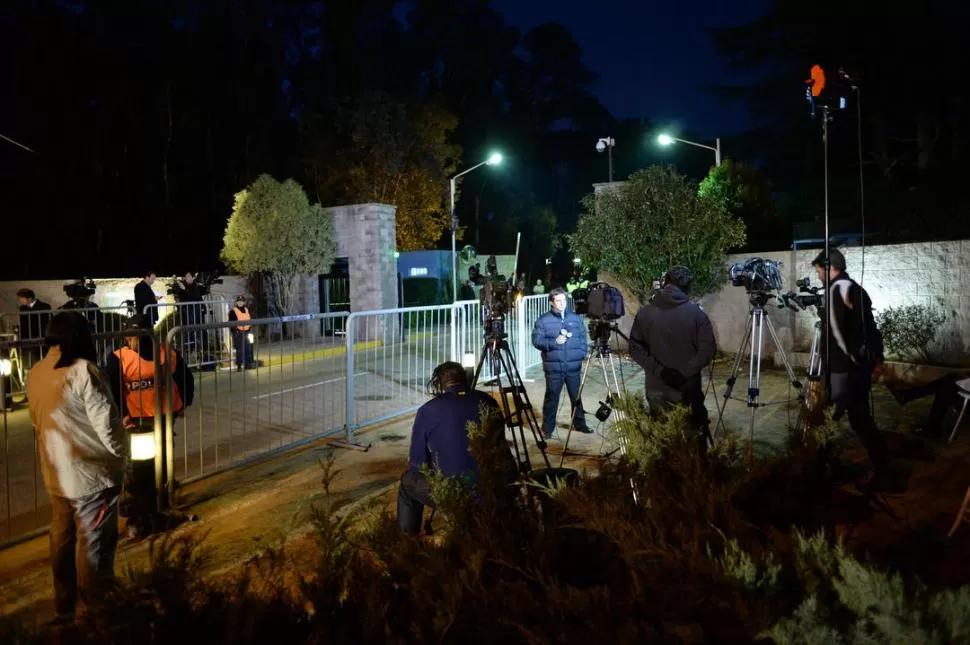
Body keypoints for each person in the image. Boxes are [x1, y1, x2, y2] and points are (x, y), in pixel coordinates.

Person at [27, 312, 127, 623]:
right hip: (92, 477)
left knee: (62, 539)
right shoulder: (84, 371)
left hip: (56, 474)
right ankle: (97, 612)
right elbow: (108, 427)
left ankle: (65, 606)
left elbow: (36, 420)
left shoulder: (36, 372)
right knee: (93, 544)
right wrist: (125, 454)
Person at [397, 361, 515, 534]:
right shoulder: (488, 401)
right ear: (466, 379)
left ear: (438, 384)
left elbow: (417, 464)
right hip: (495, 483)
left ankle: (406, 542)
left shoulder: (427, 410)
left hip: (456, 491)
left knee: (407, 482)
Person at [813, 248, 892, 489]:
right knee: (861, 419)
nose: (818, 277)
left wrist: (821, 373)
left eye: (819, 271)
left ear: (830, 269)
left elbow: (833, 337)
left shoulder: (836, 292)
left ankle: (818, 472)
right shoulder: (857, 290)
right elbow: (870, 328)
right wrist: (877, 359)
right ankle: (884, 471)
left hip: (841, 370)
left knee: (824, 420)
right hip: (858, 368)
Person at [105, 317, 194, 532]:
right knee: (140, 465)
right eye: (128, 337)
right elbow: (113, 390)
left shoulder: (165, 351)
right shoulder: (119, 357)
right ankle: (143, 504)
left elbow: (184, 377)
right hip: (138, 421)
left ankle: (162, 497)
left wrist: (183, 403)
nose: (131, 342)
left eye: (135, 337)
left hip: (162, 416)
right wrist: (123, 416)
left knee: (164, 455)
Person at [628, 266, 716, 452]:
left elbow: (635, 348)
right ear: (688, 287)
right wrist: (684, 373)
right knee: (692, 444)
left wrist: (660, 371)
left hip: (656, 386)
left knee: (661, 440)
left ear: (665, 281)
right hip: (688, 388)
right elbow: (707, 351)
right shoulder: (697, 314)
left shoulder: (645, 313)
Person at [531, 288, 590, 438]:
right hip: (554, 367)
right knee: (552, 397)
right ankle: (547, 429)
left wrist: (582, 352)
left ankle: (580, 424)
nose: (562, 303)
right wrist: (553, 342)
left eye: (564, 300)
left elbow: (583, 337)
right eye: (558, 300)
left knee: (576, 397)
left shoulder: (576, 318)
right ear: (552, 302)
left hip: (573, 366)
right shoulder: (543, 320)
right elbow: (536, 340)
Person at [16, 288, 52, 370]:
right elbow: (23, 323)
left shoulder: (44, 306)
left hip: (40, 337)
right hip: (27, 338)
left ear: (29, 298)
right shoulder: (23, 308)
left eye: (21, 298)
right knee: (29, 361)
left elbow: (46, 323)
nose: (20, 300)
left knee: (41, 359)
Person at [227, 295, 255, 370]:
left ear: (244, 302)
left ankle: (247, 364)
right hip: (238, 332)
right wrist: (235, 331)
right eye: (239, 301)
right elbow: (231, 323)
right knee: (240, 350)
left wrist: (249, 328)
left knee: (248, 348)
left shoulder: (246, 310)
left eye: (242, 301)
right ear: (236, 302)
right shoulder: (233, 311)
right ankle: (239, 365)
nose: (240, 302)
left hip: (247, 332)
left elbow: (249, 319)